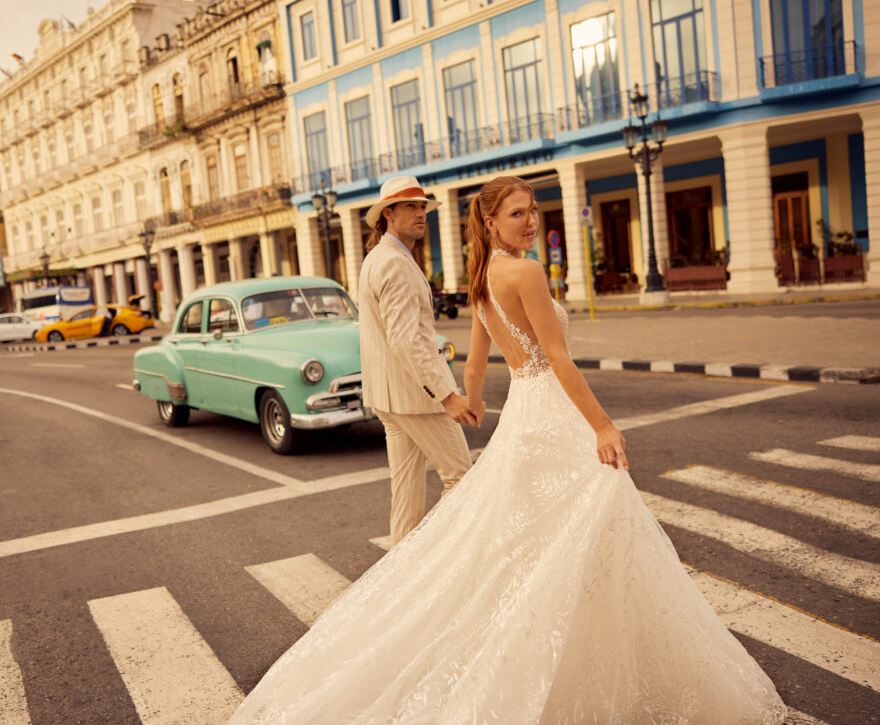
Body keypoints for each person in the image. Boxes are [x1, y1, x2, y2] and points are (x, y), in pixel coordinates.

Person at [228, 175, 787, 724]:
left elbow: (478, 359)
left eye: (534, 210)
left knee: (530, 531)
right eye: (518, 212)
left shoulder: (483, 275)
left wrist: (471, 399)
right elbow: (559, 360)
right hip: (550, 411)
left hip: (523, 414)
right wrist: (602, 426)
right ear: (491, 221)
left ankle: (448, 595)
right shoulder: (526, 272)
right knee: (586, 520)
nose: (531, 221)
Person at [356, 175, 480, 545]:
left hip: (388, 397)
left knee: (407, 491)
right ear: (388, 214)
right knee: (461, 478)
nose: (420, 212)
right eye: (410, 206)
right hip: (414, 398)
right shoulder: (393, 262)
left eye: (422, 205)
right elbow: (407, 339)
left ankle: (400, 570)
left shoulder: (379, 257)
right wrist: (447, 395)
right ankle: (431, 561)